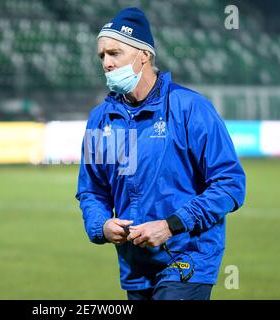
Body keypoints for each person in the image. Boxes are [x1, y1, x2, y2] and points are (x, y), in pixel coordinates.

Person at [75, 7, 246, 300]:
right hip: (135, 267)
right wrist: (100, 225)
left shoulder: (190, 108)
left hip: (189, 258)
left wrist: (171, 226)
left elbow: (230, 184)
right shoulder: (100, 119)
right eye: (102, 56)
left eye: (115, 53)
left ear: (144, 54)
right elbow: (91, 190)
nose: (106, 63)